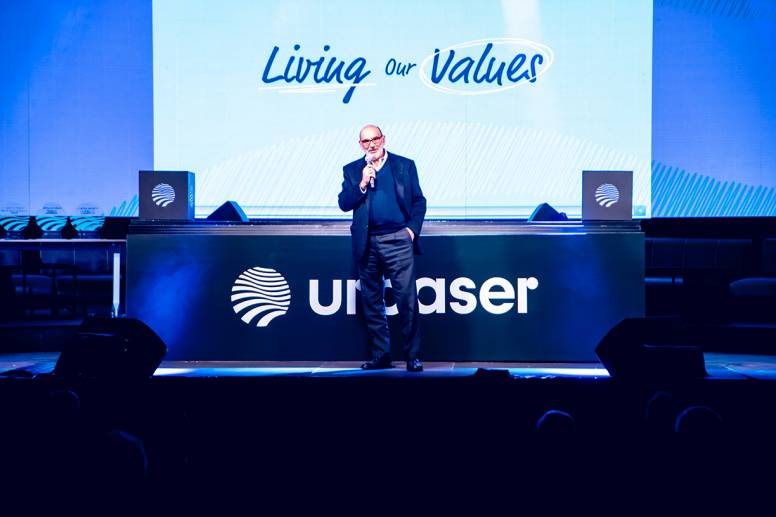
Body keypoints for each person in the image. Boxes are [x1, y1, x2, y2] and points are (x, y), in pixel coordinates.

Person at [338, 124, 427, 371]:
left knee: (406, 300)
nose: (371, 144)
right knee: (372, 302)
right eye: (366, 141)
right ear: (360, 145)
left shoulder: (404, 165)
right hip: (367, 242)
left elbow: (419, 201)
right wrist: (362, 183)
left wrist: (411, 230)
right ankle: (381, 355)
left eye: (375, 139)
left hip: (398, 239)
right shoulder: (352, 170)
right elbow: (344, 203)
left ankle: (412, 356)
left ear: (383, 139)